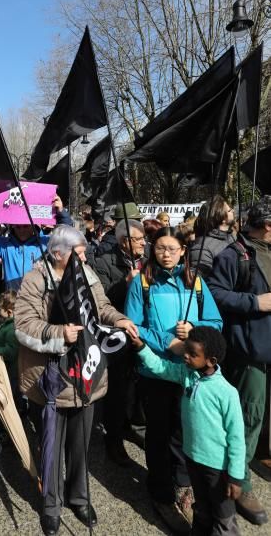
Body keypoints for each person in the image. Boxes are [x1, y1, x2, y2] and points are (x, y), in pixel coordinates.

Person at [15, 225, 138, 536]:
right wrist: (59, 333)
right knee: (52, 447)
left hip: (86, 373)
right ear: (58, 254)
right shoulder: (35, 279)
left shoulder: (87, 273)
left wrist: (119, 319)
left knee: (80, 445)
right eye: (78, 253)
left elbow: (102, 308)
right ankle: (51, 505)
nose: (85, 257)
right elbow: (23, 324)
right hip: (50, 377)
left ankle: (79, 497)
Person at [125, 227, 222, 534]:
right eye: (160, 248)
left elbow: (216, 322)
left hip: (189, 371)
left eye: (172, 248)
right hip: (155, 371)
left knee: (183, 431)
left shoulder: (195, 282)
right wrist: (169, 342)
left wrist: (193, 328)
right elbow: (133, 326)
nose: (165, 253)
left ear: (183, 250)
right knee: (157, 432)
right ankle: (160, 492)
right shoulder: (142, 282)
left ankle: (183, 485)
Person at [130, 326, 245, 536]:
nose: (185, 356)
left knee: (224, 517)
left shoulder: (227, 393)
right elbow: (161, 367)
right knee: (201, 510)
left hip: (218, 469)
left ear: (211, 361)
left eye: (193, 354)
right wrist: (141, 348)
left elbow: (237, 438)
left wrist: (237, 477)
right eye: (186, 350)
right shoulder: (187, 374)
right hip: (193, 460)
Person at [207, 196, 271, 526]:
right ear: (267, 226)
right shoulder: (235, 255)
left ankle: (264, 452)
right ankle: (240, 480)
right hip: (250, 350)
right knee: (250, 413)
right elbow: (215, 293)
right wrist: (254, 302)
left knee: (265, 414)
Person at [94, 219, 147, 465]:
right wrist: (124, 283)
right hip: (116, 335)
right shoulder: (104, 262)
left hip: (143, 331)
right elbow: (99, 301)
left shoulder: (148, 262)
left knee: (137, 387)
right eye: (139, 239)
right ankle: (113, 439)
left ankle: (134, 426)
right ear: (125, 241)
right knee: (116, 388)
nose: (144, 243)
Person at [0, 195, 72, 290]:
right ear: (13, 226)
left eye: (25, 226)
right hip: (12, 300)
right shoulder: (4, 245)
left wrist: (61, 212)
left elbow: (66, 236)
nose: (21, 230)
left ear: (33, 226)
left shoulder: (45, 243)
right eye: (18, 226)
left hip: (37, 299)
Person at [189, 196, 236, 276]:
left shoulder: (232, 237)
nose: (233, 211)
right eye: (229, 210)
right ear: (222, 217)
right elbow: (199, 282)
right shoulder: (202, 248)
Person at [0, 290, 19, 389]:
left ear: (9, 312)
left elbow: (10, 352)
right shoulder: (6, 324)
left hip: (10, 374)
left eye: (0, 309)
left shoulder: (12, 329)